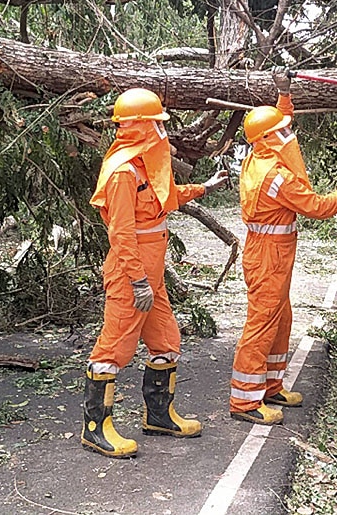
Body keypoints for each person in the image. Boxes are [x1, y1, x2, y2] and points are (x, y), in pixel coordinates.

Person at [82, 87, 229, 458]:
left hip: (152, 276)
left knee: (166, 342)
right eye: (158, 125)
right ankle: (95, 429)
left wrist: (205, 187)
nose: (163, 132)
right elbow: (121, 233)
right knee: (114, 348)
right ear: (142, 127)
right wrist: (136, 280)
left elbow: (166, 196)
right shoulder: (122, 173)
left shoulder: (145, 164)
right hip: (131, 276)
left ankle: (159, 416)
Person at [229, 71, 337, 425]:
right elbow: (318, 207)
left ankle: (271, 385)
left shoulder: (257, 156)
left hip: (270, 251)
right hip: (269, 254)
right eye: (282, 132)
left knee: (280, 319)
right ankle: (245, 402)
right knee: (262, 323)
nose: (289, 135)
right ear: (270, 139)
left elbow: (277, 124)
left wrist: (284, 94)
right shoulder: (277, 178)